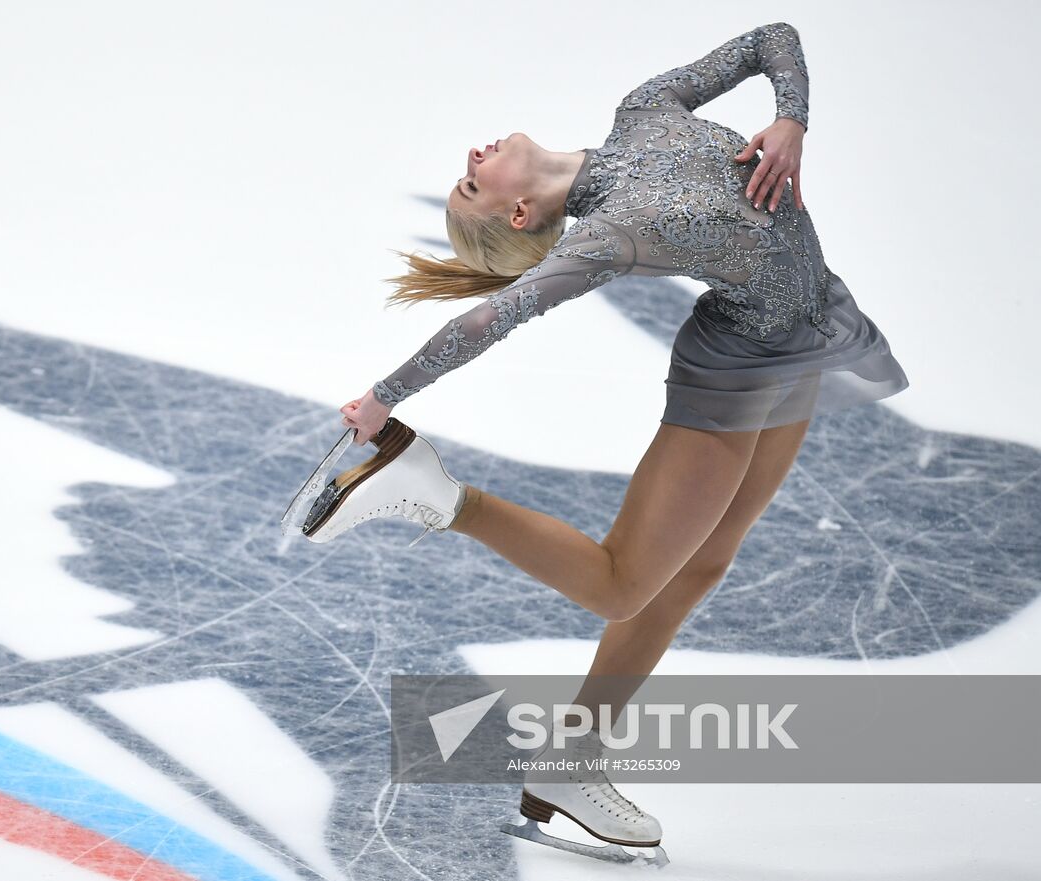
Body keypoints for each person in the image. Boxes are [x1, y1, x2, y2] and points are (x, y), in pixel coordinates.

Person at [316, 20, 911, 862]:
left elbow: (771, 37)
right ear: (522, 212)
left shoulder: (642, 110)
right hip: (738, 365)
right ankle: (440, 494)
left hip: (804, 335)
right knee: (622, 583)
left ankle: (573, 761)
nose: (474, 155)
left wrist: (791, 120)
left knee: (705, 560)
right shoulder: (607, 233)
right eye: (471, 181)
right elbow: (491, 316)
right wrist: (385, 397)